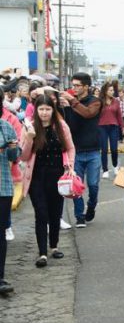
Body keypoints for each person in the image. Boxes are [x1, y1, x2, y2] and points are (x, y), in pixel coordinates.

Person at [19, 95, 74, 268]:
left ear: (53, 110)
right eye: (41, 109)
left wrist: (70, 166)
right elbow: (24, 155)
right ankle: (42, 253)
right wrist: (29, 137)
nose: (44, 113)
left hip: (57, 176)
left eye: (47, 109)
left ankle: (54, 246)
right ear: (36, 110)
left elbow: (70, 147)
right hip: (36, 177)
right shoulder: (29, 127)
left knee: (55, 212)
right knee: (41, 213)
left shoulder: (61, 126)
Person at [61, 72, 103, 228]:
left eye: (77, 85)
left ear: (86, 86)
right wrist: (63, 105)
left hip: (93, 151)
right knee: (76, 185)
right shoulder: (69, 103)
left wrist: (71, 100)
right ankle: (79, 216)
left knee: (93, 185)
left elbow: (88, 113)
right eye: (73, 85)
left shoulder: (95, 102)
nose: (74, 88)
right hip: (76, 151)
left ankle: (91, 205)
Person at [0, 116, 20, 295]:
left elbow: (15, 157)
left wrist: (13, 148)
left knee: (0, 233)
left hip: (3, 187)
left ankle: (0, 277)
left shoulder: (6, 127)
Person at [98, 83, 124, 178]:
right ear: (105, 91)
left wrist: (123, 127)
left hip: (114, 127)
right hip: (102, 127)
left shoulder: (116, 101)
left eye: (113, 90)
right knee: (104, 149)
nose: (112, 92)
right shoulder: (99, 101)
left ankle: (115, 166)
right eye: (110, 90)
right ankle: (105, 170)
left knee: (114, 149)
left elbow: (119, 116)